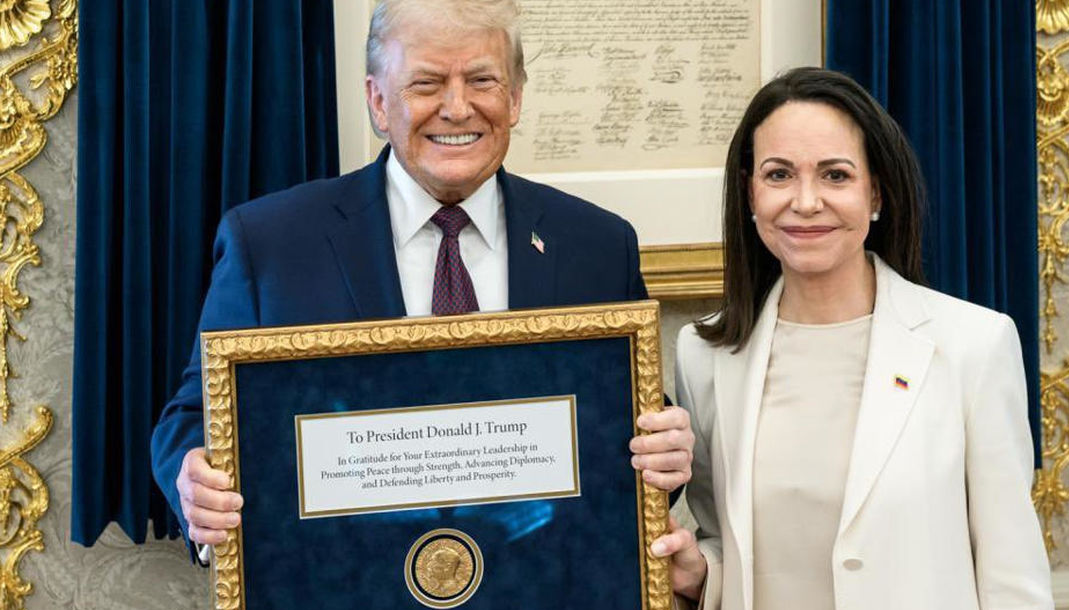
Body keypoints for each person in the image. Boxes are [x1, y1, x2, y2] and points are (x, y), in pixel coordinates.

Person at [150, 0, 694, 551]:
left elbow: (628, 425)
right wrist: (195, 480)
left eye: (482, 80)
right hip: (343, 584)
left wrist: (665, 449)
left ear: (515, 97)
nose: (457, 109)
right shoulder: (271, 245)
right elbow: (195, 417)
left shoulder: (598, 246)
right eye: (427, 83)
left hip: (543, 583)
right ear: (378, 102)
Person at [648, 67, 1069, 610]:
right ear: (750, 193)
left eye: (835, 175)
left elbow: (1016, 587)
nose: (805, 201)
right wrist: (699, 574)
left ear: (876, 193)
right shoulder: (705, 355)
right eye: (779, 175)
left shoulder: (972, 346)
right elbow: (729, 543)